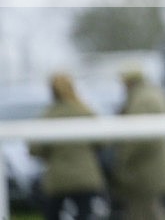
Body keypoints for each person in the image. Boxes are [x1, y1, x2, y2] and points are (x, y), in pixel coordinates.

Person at [29, 73, 109, 220]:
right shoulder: (84, 112)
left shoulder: (48, 115)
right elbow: (102, 142)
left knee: (53, 214)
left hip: (57, 179)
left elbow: (34, 149)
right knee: (85, 215)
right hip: (86, 176)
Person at [111, 69, 165, 220]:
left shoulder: (141, 100)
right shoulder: (155, 94)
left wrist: (123, 158)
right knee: (154, 210)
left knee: (143, 212)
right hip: (154, 167)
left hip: (144, 169)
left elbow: (138, 138)